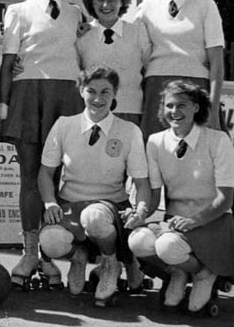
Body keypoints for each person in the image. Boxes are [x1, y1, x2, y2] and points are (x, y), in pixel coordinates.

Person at [0, 0, 84, 288]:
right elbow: (8, 62)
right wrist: (5, 105)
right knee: (30, 177)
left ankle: (52, 253)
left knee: (60, 178)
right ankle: (31, 252)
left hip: (68, 99)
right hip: (29, 95)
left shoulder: (76, 13)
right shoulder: (17, 10)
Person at [38, 66, 153, 305]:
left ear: (115, 93)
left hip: (109, 208)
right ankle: (78, 255)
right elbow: (45, 174)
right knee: (50, 242)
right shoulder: (64, 125)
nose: (98, 99)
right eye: (91, 91)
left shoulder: (129, 130)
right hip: (70, 207)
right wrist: (50, 203)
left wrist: (140, 211)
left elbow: (142, 183)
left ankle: (110, 263)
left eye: (105, 92)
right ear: (81, 91)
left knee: (94, 217)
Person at [128, 80, 234, 313]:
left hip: (213, 223)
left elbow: (225, 200)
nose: (174, 112)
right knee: (138, 241)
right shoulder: (155, 142)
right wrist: (139, 213)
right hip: (175, 224)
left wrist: (194, 220)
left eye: (182, 105)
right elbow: (154, 195)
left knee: (167, 246)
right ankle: (178, 272)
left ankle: (205, 273)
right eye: (169, 106)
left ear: (196, 108)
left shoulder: (218, 140)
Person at [136, 0, 225, 139]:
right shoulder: (145, 9)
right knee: (156, 153)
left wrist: (213, 109)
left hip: (196, 88)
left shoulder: (206, 6)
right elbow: (128, 44)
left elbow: (216, 61)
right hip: (157, 90)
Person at [77, 0, 150, 126]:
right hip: (93, 113)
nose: (106, 5)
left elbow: (150, 68)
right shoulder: (82, 36)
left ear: (122, 2)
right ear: (92, 2)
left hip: (131, 110)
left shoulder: (137, 32)